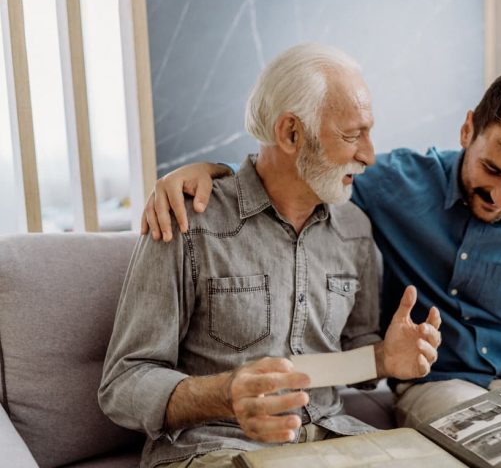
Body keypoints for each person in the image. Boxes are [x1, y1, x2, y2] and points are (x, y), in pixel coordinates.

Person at [142, 64, 501, 467]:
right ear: (468, 128)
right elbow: (298, 172)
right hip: (442, 386)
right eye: (493, 171)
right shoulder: (393, 183)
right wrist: (206, 173)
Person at [98, 44, 442, 468]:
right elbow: (123, 383)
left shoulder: (354, 228)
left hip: (331, 437)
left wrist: (386, 359)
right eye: (352, 136)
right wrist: (225, 394)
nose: (369, 155)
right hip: (216, 446)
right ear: (291, 133)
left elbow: (346, 359)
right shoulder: (186, 222)